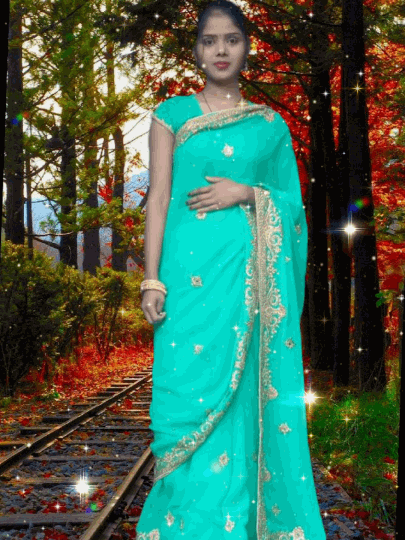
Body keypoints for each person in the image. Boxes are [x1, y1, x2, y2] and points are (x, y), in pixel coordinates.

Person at [137, 1, 327, 538]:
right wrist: (151, 278)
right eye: (209, 40)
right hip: (187, 282)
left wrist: (248, 193)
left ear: (247, 47)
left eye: (232, 39)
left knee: (242, 402)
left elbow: (293, 209)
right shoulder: (171, 115)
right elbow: (158, 199)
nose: (220, 50)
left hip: (250, 286)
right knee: (183, 401)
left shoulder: (269, 126)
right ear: (197, 50)